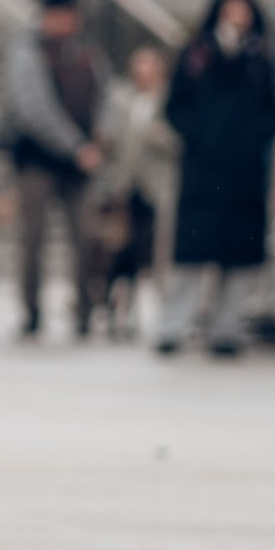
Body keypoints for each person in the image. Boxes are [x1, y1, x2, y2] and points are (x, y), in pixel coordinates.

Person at [159, 0, 275, 355]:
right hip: (202, 170)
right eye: (231, 7)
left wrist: (251, 141)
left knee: (238, 257)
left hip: (243, 174)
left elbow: (271, 113)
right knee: (192, 254)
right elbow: (174, 106)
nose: (237, 15)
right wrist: (199, 135)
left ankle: (226, 330)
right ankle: (173, 327)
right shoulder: (196, 54)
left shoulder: (259, 59)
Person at [0, 0, 109, 339]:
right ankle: (31, 310)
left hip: (81, 164)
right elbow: (34, 109)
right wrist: (76, 146)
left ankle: (86, 309)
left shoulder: (87, 53)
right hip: (38, 160)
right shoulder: (27, 52)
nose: (65, 23)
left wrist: (100, 138)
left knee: (86, 237)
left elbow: (104, 97)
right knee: (33, 238)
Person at [87, 44, 179, 337]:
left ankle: (167, 314)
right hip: (125, 189)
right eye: (138, 65)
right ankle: (119, 311)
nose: (143, 71)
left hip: (157, 187)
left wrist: (161, 137)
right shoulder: (122, 99)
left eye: (149, 65)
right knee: (120, 252)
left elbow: (183, 141)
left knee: (155, 252)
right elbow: (110, 142)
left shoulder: (171, 99)